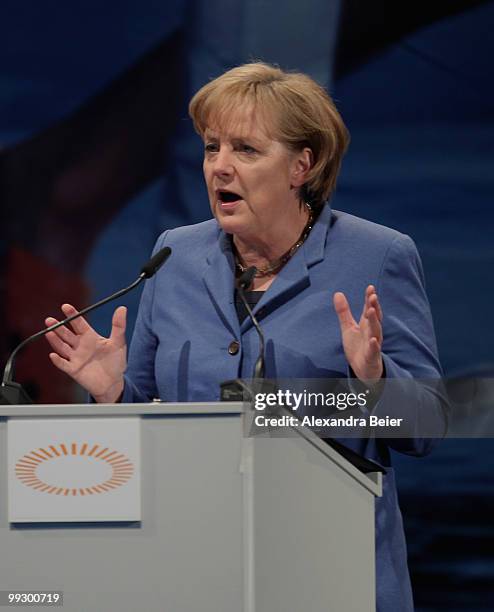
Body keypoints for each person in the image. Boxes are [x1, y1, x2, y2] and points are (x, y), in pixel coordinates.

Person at [44, 62, 448, 611]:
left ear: (301, 165)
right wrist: (113, 393)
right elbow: (152, 427)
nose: (220, 168)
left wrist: (373, 381)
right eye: (213, 148)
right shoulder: (176, 255)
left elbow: (427, 423)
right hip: (195, 572)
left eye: (246, 151)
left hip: (333, 575)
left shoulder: (376, 256)